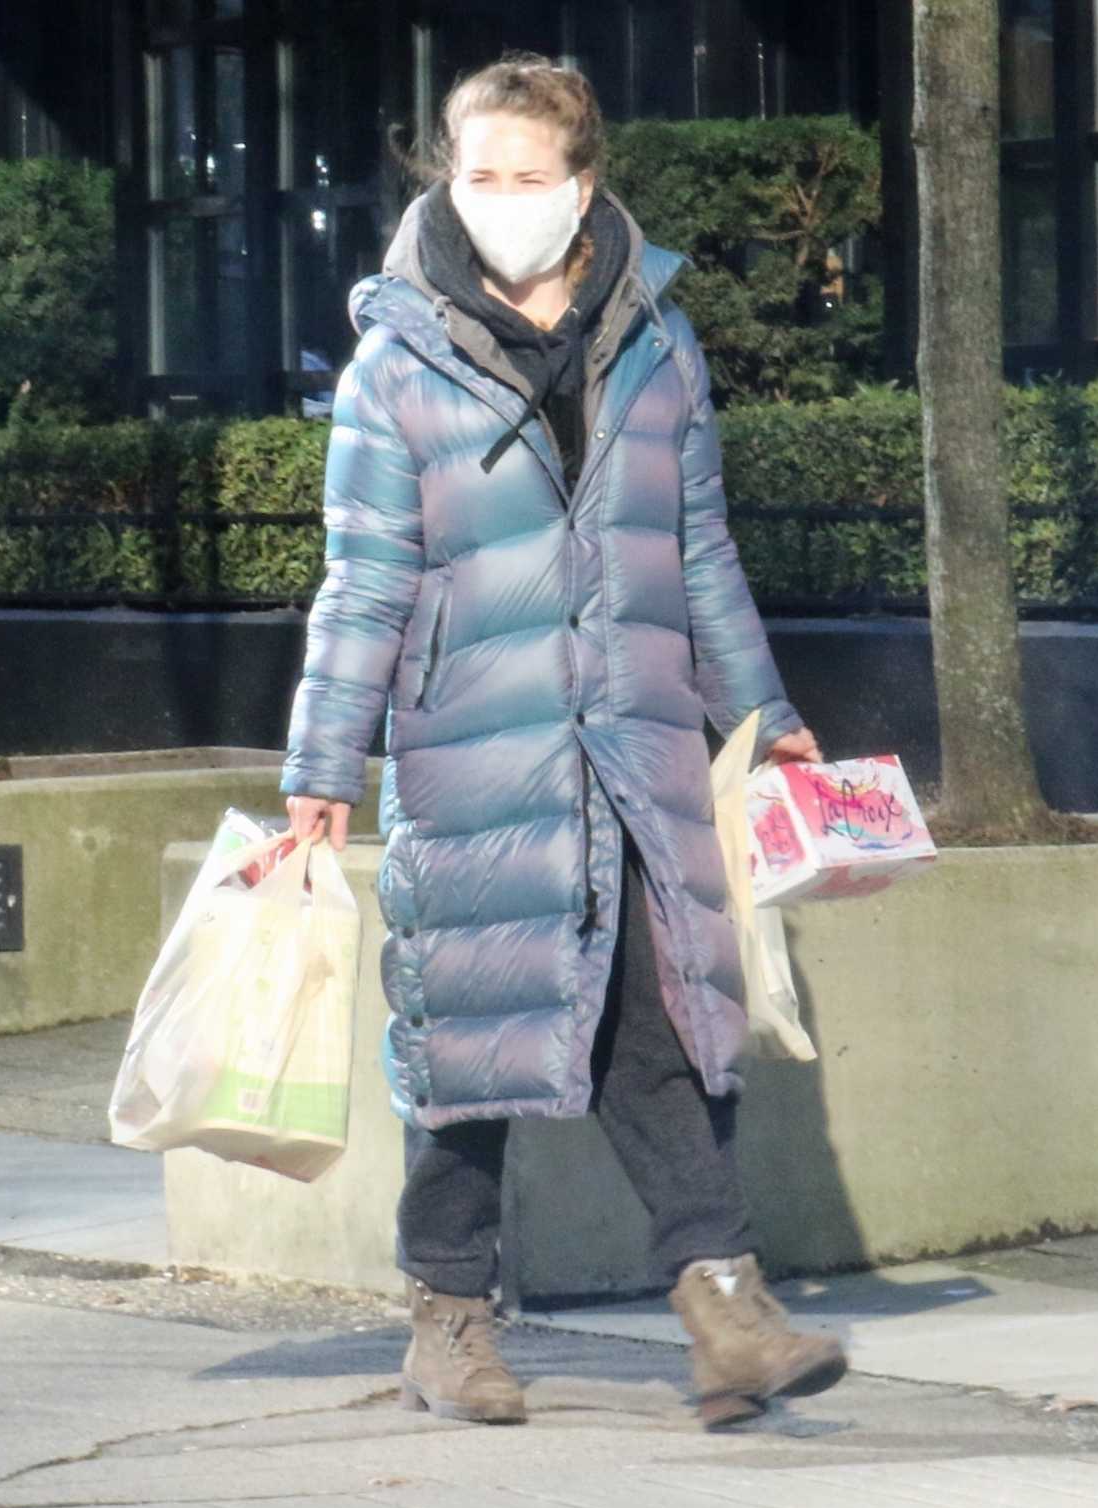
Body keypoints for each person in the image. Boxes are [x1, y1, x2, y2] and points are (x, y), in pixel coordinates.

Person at [281, 51, 847, 1430]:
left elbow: (696, 542)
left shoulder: (656, 335)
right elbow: (361, 579)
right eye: (476, 177)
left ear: (581, 183)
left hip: (636, 742)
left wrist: (763, 715)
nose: (501, 202)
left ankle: (725, 1311)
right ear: (445, 180)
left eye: (528, 178)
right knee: (465, 1043)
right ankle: (448, 1316)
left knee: (664, 1020)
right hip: (469, 747)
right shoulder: (394, 358)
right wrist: (319, 768)